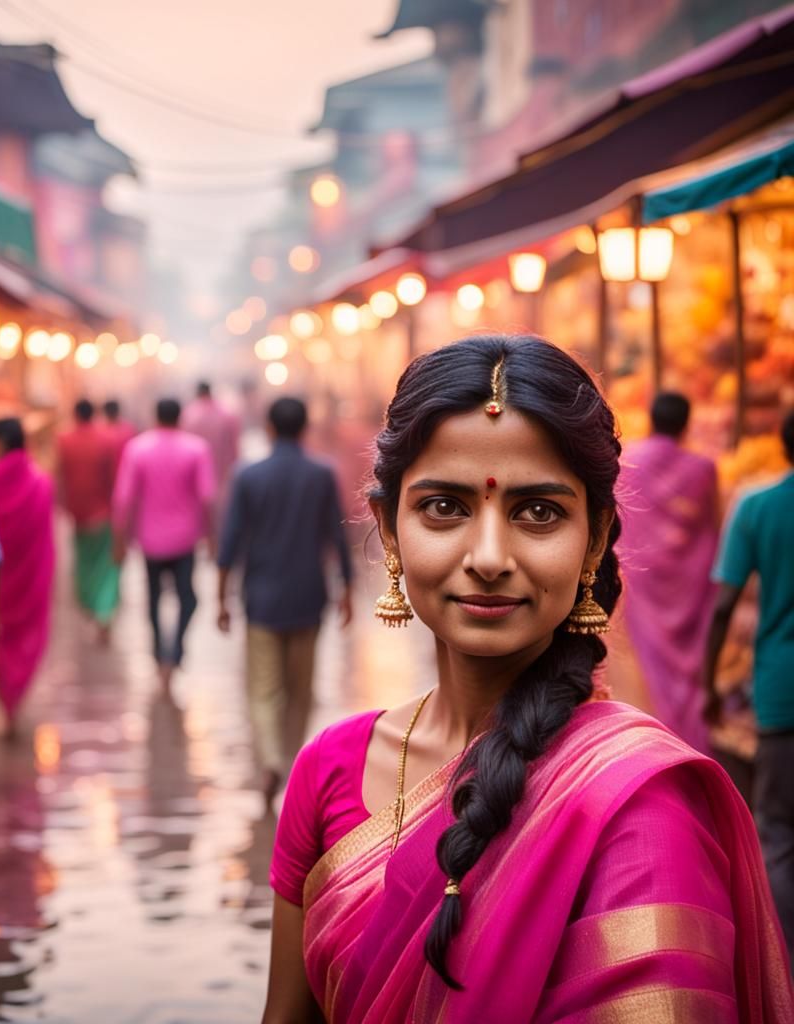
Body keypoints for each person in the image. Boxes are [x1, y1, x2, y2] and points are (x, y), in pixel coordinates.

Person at [263, 335, 791, 1023]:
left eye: (538, 512)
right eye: (445, 507)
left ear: (594, 538)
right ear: (390, 531)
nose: (489, 557)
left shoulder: (640, 810)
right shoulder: (329, 770)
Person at [217, 397, 354, 807]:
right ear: (305, 428)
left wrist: (221, 597)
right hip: (309, 597)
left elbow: (230, 541)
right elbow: (338, 536)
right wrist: (347, 589)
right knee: (300, 690)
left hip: (261, 599)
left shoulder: (248, 476)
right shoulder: (320, 475)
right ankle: (292, 765)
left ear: (270, 428)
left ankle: (271, 760)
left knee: (262, 690)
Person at [704, 409, 794, 963]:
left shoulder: (758, 507)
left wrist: (710, 682)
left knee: (779, 835)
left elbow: (722, 607)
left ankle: (784, 968)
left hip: (782, 692)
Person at [617, 392, 719, 751]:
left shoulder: (629, 460)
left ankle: (654, 745)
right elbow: (710, 529)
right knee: (686, 670)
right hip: (689, 584)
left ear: (651, 419)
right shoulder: (704, 468)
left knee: (647, 665)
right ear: (686, 424)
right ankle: (688, 745)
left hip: (643, 578)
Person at [113, 398, 216, 690]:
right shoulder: (196, 449)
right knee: (188, 598)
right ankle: (175, 651)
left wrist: (119, 539)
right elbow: (207, 497)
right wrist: (212, 536)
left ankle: (161, 655)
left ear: (155, 416)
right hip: (185, 539)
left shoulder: (137, 448)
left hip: (151, 541)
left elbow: (124, 498)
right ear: (179, 417)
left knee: (154, 599)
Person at [0, 418, 55, 734]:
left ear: (0, 441)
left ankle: (4, 701)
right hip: (29, 575)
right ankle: (14, 699)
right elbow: (46, 538)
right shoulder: (41, 482)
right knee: (24, 637)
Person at [57, 399, 119, 644]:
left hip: (79, 514)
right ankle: (104, 612)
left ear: (75, 415)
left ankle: (91, 605)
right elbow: (113, 478)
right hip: (103, 514)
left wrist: (64, 506)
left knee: (84, 565)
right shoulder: (107, 440)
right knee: (106, 568)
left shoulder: (64, 440)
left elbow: (60, 476)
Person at [181, 380, 240, 506]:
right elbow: (234, 449)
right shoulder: (227, 414)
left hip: (194, 482)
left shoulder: (188, 415)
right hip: (222, 478)